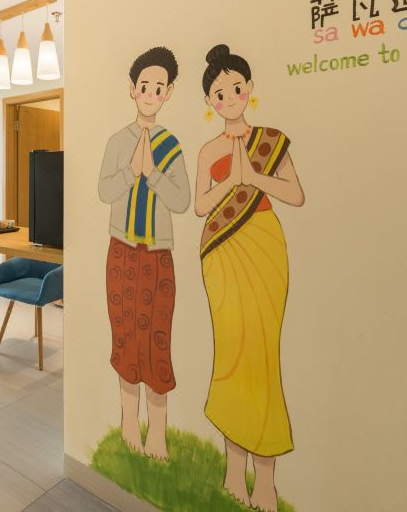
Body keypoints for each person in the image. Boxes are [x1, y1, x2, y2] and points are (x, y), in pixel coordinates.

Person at [194, 44, 305, 512]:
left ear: (249, 89)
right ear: (210, 102)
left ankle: (266, 480)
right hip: (222, 252)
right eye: (220, 94)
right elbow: (201, 205)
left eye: (236, 89)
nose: (229, 99)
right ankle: (233, 470)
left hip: (264, 244)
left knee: (262, 355)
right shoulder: (209, 150)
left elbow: (295, 194)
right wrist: (230, 179)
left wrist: (253, 178)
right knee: (231, 354)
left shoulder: (271, 140)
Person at [97, 46, 190, 460]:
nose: (151, 93)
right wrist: (130, 170)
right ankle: (129, 424)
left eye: (159, 87)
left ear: (168, 93)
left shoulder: (171, 144)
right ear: (133, 89)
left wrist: (151, 173)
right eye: (144, 86)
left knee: (156, 339)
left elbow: (182, 200)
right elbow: (105, 191)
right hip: (121, 251)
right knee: (124, 336)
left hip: (156, 255)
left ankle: (158, 434)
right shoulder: (118, 141)